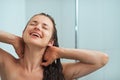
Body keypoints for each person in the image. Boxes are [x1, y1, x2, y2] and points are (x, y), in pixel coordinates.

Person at [0, 13, 109, 80]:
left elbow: (102, 59)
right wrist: (13, 39)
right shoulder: (7, 63)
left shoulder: (60, 71)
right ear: (23, 33)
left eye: (44, 27)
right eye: (33, 23)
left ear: (51, 42)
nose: (37, 27)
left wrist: (59, 52)